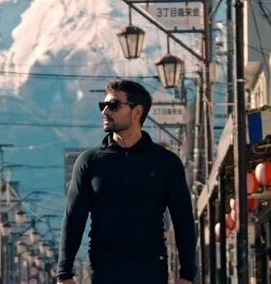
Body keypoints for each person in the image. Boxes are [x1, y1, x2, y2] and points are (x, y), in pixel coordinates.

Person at [56, 78, 196, 283]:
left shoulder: (166, 162)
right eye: (103, 106)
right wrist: (64, 273)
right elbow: (73, 218)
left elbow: (183, 219)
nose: (105, 112)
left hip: (151, 271)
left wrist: (187, 275)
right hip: (104, 271)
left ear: (137, 112)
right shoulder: (89, 162)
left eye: (113, 106)